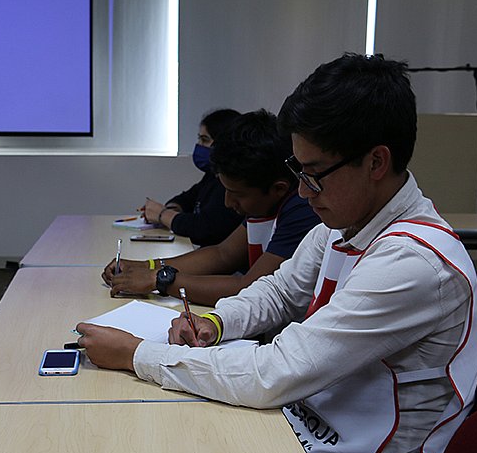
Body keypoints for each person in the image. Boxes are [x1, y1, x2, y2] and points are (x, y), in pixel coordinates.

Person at [77, 53, 477, 453]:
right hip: (304, 431)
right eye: (298, 170)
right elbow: (278, 290)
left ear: (376, 162)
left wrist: (136, 354)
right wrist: (217, 323)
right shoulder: (346, 223)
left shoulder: (414, 263)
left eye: (314, 173)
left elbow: (277, 372)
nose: (303, 191)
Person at [104, 109, 321, 307]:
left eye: (236, 194)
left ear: (278, 189)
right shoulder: (263, 200)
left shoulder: (302, 211)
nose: (227, 202)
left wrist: (159, 279)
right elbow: (222, 254)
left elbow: (249, 288)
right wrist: (147, 267)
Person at [141, 109, 245, 247]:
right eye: (199, 139)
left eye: (205, 140)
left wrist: (162, 215)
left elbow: (205, 228)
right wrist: (173, 208)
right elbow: (187, 198)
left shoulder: (229, 183)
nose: (199, 145)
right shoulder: (212, 176)